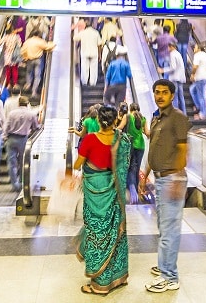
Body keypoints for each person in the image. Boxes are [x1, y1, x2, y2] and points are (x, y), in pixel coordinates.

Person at [139, 79, 191, 293]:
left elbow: (182, 150)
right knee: (164, 227)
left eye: (164, 93)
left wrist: (178, 178)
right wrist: (145, 177)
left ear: (172, 95)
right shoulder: (156, 118)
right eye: (157, 92)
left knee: (169, 230)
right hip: (160, 178)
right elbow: (154, 149)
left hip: (172, 178)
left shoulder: (177, 117)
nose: (159, 96)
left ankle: (169, 277)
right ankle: (165, 266)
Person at [75, 106, 129, 296]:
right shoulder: (122, 140)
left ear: (98, 120)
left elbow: (77, 164)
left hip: (93, 191)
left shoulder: (89, 139)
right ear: (116, 120)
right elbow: (123, 168)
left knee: (96, 232)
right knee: (115, 230)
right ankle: (117, 277)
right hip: (114, 192)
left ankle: (99, 284)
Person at [3, 96, 39, 191]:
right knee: (23, 162)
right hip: (23, 139)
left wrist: (5, 137)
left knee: (12, 163)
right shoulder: (31, 114)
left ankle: (14, 185)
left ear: (18, 104)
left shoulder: (12, 114)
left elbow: (6, 127)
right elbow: (36, 127)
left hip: (11, 139)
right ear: (27, 104)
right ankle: (22, 182)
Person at [118, 103, 149, 204]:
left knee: (131, 168)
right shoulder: (143, 118)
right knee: (136, 169)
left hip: (130, 145)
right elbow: (147, 133)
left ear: (130, 109)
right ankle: (135, 190)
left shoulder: (127, 117)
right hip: (141, 146)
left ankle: (133, 193)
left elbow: (120, 128)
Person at [21, 30, 56, 98]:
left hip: (29, 60)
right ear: (38, 35)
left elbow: (22, 50)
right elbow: (48, 47)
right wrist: (53, 43)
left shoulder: (28, 41)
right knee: (37, 76)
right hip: (38, 60)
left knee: (29, 73)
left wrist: (25, 57)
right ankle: (34, 91)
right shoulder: (40, 41)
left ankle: (28, 84)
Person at [158, 42, 186, 115]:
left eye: (167, 47)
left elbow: (173, 67)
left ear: (171, 46)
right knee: (181, 97)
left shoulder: (172, 54)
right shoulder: (178, 54)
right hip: (180, 78)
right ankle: (184, 114)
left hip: (174, 78)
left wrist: (163, 70)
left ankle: (175, 115)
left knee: (174, 97)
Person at [189, 44, 206, 119]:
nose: (194, 48)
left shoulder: (197, 55)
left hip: (200, 78)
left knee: (201, 95)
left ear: (199, 48)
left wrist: (193, 74)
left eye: (195, 47)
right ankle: (198, 107)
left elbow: (195, 66)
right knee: (192, 89)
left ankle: (202, 113)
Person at [74, 20, 102, 86]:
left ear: (85, 26)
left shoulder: (83, 32)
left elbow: (74, 38)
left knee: (84, 67)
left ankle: (84, 82)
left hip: (84, 52)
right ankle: (93, 83)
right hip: (94, 53)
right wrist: (99, 55)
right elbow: (99, 44)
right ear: (92, 26)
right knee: (94, 68)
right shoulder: (96, 33)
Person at [0, 23, 23, 88]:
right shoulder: (16, 37)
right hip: (14, 56)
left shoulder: (6, 37)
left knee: (8, 70)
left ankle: (8, 84)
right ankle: (15, 84)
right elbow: (20, 45)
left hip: (7, 55)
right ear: (12, 30)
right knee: (15, 70)